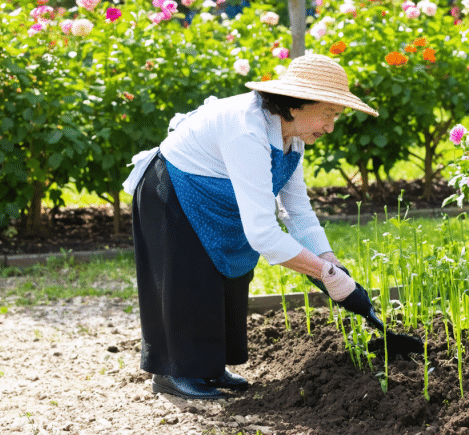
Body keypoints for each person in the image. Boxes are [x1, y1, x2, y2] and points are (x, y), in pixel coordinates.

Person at [121, 54, 379, 399]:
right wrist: (327, 275)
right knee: (189, 276)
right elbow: (264, 235)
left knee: (227, 278)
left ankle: (208, 368)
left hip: (218, 196)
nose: (331, 126)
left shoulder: (293, 135)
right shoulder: (247, 128)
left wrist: (329, 261)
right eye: (328, 114)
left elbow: (297, 209)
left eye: (336, 116)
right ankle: (174, 373)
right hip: (175, 189)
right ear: (297, 103)